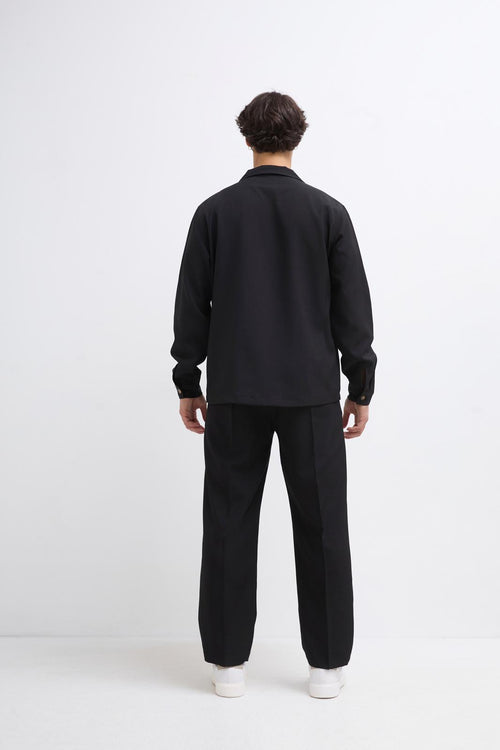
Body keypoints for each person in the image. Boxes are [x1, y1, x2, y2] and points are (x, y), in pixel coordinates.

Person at [170, 91, 377, 699]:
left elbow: (191, 303)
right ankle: (327, 668)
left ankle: (228, 666)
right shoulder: (328, 213)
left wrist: (189, 380)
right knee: (323, 526)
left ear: (246, 138)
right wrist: (360, 386)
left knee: (228, 523)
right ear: (297, 138)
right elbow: (353, 308)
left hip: (235, 391)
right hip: (311, 393)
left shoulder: (214, 212)